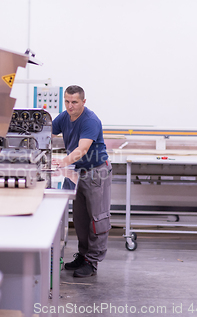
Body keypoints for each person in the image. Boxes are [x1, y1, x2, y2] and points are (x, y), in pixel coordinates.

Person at [52, 85, 112, 277]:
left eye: (74, 102)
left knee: (97, 219)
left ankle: (92, 263)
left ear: (83, 102)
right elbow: (47, 133)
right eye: (67, 102)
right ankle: (83, 255)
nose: (70, 106)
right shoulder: (64, 117)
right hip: (78, 172)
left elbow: (82, 149)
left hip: (96, 173)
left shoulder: (90, 120)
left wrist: (62, 162)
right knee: (80, 219)